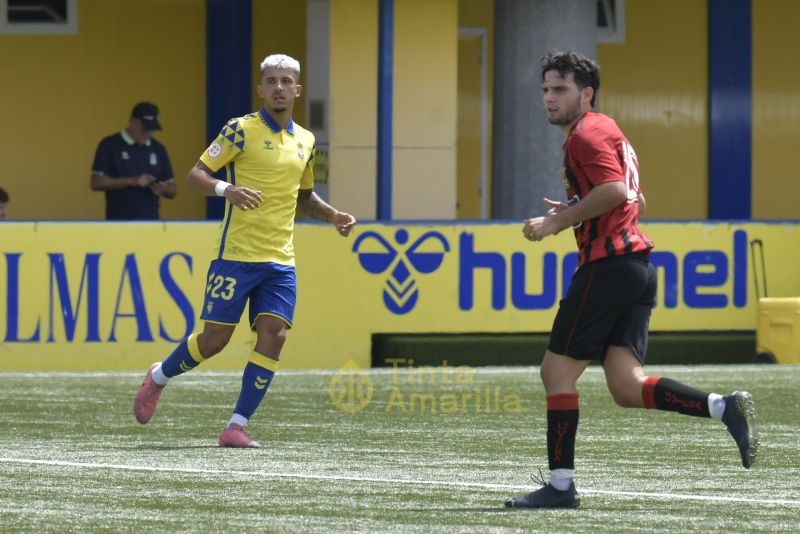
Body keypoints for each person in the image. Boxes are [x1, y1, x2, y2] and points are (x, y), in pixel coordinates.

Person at [504, 51, 758, 509]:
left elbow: (617, 192)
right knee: (626, 385)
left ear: (586, 93)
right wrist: (575, 210)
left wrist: (557, 224)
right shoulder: (606, 130)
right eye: (545, 89)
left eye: (559, 89)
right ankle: (724, 406)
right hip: (636, 269)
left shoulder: (584, 135)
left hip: (610, 268)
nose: (549, 98)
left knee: (556, 372)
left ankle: (561, 487)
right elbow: (629, 200)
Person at [134, 54, 357, 447]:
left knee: (275, 335)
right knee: (213, 341)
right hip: (236, 254)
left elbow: (303, 197)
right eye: (271, 81)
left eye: (286, 81)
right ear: (261, 89)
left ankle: (235, 426)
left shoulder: (305, 140)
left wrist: (333, 215)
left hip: (280, 261)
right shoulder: (240, 130)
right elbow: (195, 176)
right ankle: (158, 378)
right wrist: (227, 190)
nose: (278, 87)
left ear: (297, 89)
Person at [90, 102, 176, 219]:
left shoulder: (158, 149)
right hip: (118, 224)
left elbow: (172, 190)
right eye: (143, 129)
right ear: (132, 122)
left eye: (151, 130)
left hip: (152, 224)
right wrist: (130, 181)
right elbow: (96, 182)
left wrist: (163, 188)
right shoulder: (110, 145)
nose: (147, 134)